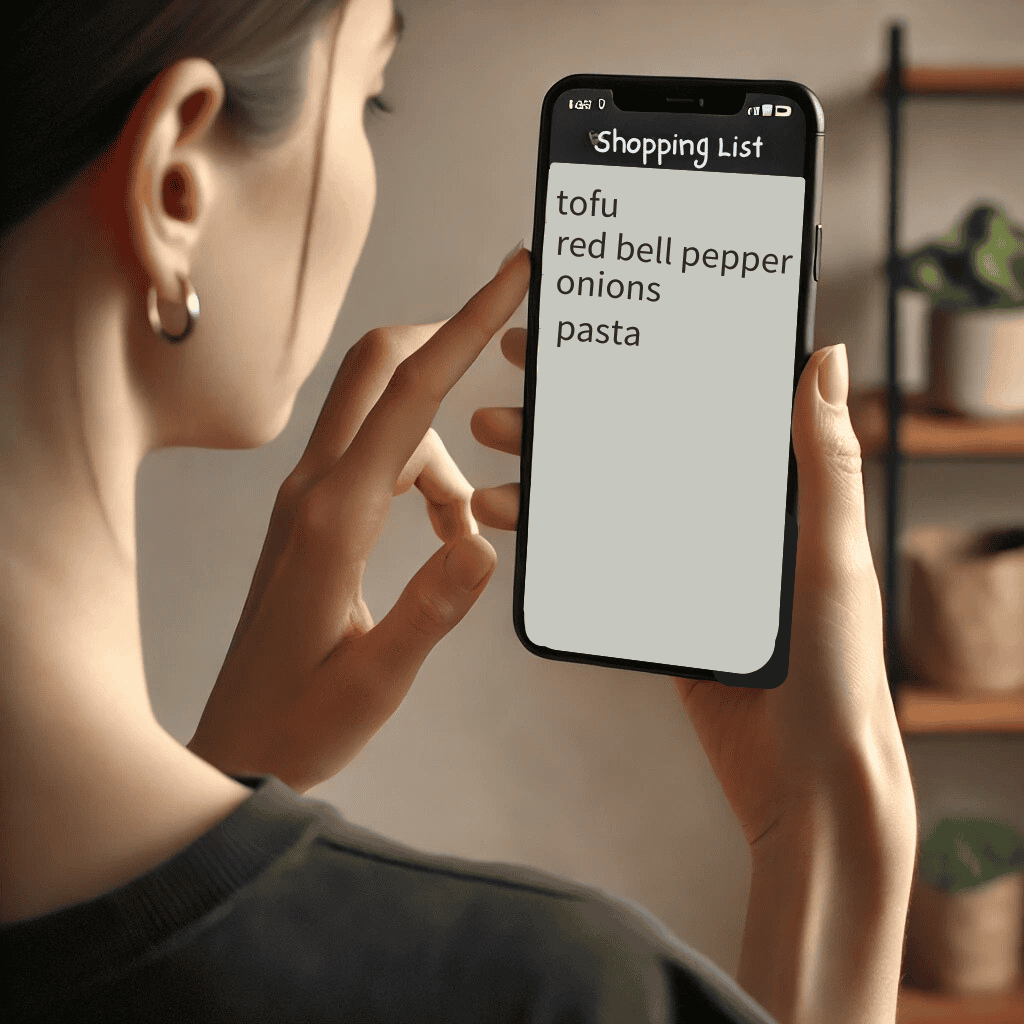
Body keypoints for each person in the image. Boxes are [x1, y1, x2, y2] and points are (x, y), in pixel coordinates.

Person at [0, 0, 919, 1021]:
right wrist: (829, 830)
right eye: (369, 96)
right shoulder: (553, 989)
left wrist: (234, 773)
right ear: (177, 184)